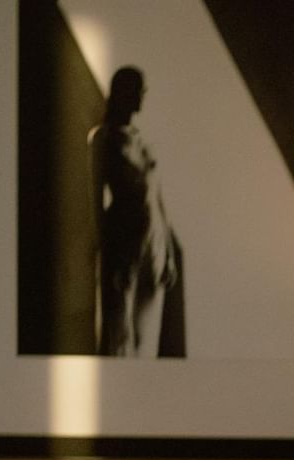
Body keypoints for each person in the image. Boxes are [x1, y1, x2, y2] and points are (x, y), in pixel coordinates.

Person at [89, 66, 182, 357]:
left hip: (152, 244)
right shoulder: (103, 137)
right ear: (123, 92)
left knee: (146, 339)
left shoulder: (144, 139)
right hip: (122, 243)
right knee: (118, 337)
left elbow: (158, 198)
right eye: (137, 89)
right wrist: (104, 249)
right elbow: (93, 198)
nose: (143, 95)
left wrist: (167, 252)